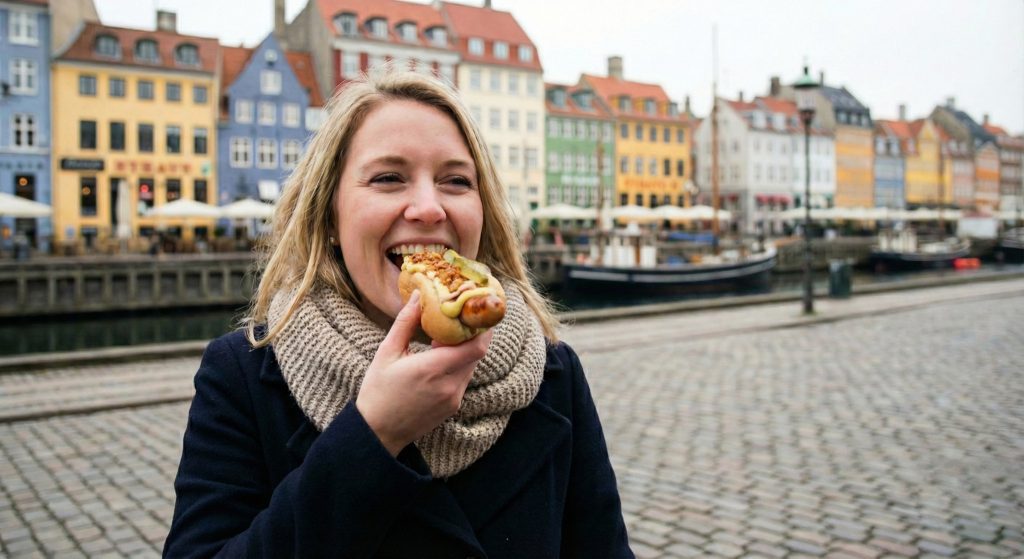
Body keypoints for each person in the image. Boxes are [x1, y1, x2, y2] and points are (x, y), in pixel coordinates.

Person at [163, 69, 633, 558]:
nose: (429, 208)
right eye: (389, 178)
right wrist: (372, 434)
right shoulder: (241, 374)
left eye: (456, 180)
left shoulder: (553, 374)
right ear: (329, 215)